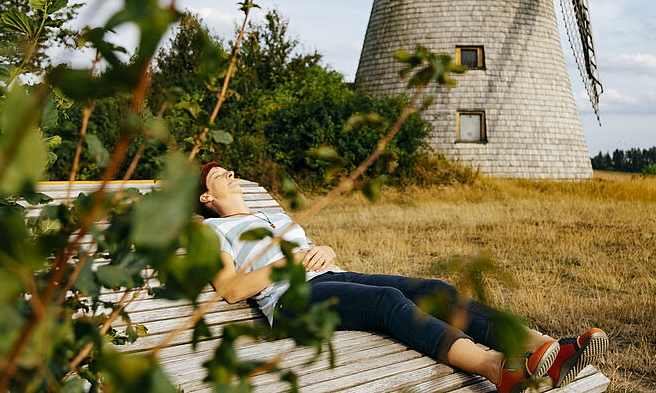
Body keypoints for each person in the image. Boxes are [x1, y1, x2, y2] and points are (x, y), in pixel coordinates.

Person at [198, 162, 607, 392]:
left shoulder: (274, 216)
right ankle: (499, 369)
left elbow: (313, 252)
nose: (231, 173)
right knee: (387, 303)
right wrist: (287, 265)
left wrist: (326, 251)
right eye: (220, 174)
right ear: (206, 197)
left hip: (330, 276)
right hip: (289, 301)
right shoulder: (211, 230)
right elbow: (232, 290)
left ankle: (545, 347)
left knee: (435, 289)